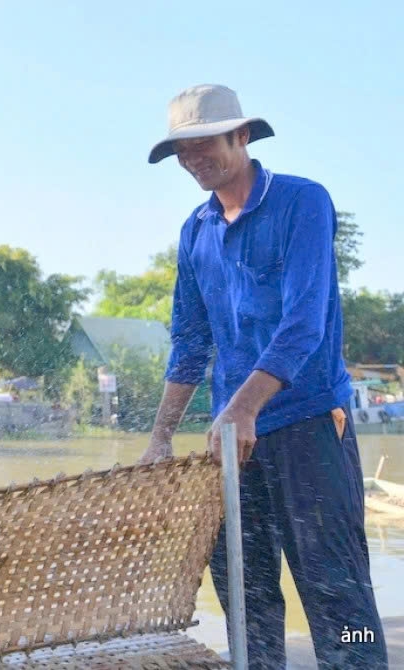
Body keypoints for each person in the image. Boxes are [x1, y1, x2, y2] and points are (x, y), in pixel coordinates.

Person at [139, 85, 386, 668]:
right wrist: (160, 437)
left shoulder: (303, 203)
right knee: (244, 595)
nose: (194, 159)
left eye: (205, 144)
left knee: (337, 595)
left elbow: (305, 322)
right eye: (182, 151)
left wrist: (245, 405)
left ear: (242, 136)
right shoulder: (195, 229)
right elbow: (191, 340)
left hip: (307, 423)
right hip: (232, 440)